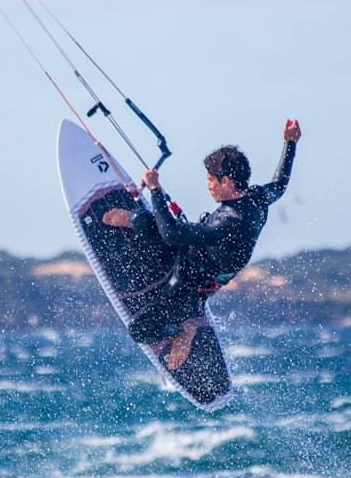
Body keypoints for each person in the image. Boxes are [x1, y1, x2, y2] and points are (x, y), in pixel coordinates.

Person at [103, 118, 301, 369]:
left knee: (139, 330)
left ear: (226, 181)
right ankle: (131, 219)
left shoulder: (231, 222)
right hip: (190, 251)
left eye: (211, 180)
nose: (208, 186)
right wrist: (290, 143)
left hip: (191, 285)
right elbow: (280, 185)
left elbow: (171, 235)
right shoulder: (256, 197)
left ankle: (181, 332)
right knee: (142, 220)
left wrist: (154, 190)